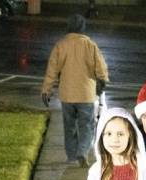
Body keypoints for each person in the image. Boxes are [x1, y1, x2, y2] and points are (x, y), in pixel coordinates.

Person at [41, 14, 109, 167]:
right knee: (87, 125)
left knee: (69, 125)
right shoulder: (90, 45)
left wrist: (46, 90)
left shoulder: (60, 45)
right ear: (82, 28)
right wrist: (102, 81)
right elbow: (101, 67)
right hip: (86, 94)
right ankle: (82, 152)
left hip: (67, 94)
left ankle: (71, 155)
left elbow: (52, 70)